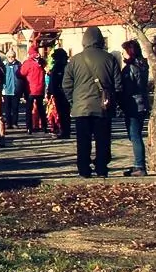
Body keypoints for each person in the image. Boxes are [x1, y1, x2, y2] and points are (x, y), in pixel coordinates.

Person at [63, 27, 119, 178]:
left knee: (83, 141)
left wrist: (72, 100)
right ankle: (101, 167)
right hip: (103, 107)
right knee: (103, 140)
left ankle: (84, 169)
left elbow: (66, 84)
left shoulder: (75, 60)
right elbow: (118, 84)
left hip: (81, 108)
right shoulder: (109, 59)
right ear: (100, 40)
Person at [117, 39, 151, 176]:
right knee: (135, 135)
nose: (122, 54)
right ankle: (139, 163)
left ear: (129, 52)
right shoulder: (143, 65)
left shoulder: (130, 69)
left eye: (123, 52)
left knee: (135, 135)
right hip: (142, 103)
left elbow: (127, 88)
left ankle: (140, 166)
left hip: (133, 105)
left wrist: (120, 100)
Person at [48, 46, 72, 139]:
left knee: (63, 113)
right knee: (63, 113)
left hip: (61, 92)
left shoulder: (61, 67)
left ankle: (65, 131)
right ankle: (64, 130)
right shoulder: (60, 66)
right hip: (59, 92)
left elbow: (55, 81)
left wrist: (52, 91)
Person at [20, 49, 46, 133]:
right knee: (41, 108)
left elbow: (22, 73)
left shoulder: (28, 63)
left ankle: (29, 127)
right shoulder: (42, 62)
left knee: (29, 109)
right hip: (40, 88)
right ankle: (44, 126)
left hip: (30, 89)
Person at [2, 51, 21, 127]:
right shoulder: (4, 65)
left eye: (12, 57)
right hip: (6, 90)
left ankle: (14, 123)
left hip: (15, 89)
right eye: (9, 57)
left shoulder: (18, 65)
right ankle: (8, 123)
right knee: (7, 108)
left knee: (15, 108)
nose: (11, 58)